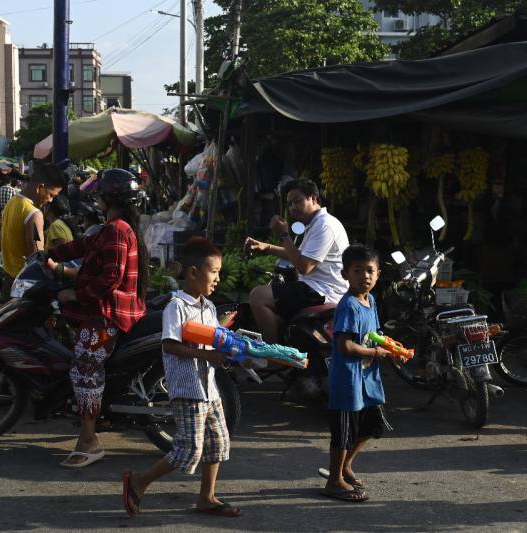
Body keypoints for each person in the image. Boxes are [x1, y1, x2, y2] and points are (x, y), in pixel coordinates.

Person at [121, 237, 240, 518]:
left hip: (209, 388)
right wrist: (210, 356)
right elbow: (170, 345)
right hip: (188, 389)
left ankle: (207, 498)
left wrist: (235, 347)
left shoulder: (208, 307)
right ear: (193, 273)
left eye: (219, 272)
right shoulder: (177, 306)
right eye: (214, 272)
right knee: (189, 449)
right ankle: (139, 481)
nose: (218, 278)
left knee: (219, 442)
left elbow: (213, 341)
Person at [46, 169, 147, 467]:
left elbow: (110, 279)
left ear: (108, 198)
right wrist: (47, 255)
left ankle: (89, 438)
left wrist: (76, 294)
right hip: (108, 310)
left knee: (83, 367)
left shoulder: (117, 230)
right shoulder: (111, 228)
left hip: (109, 315)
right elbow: (82, 246)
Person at [323, 244, 395, 502]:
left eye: (369, 270)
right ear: (345, 275)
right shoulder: (349, 306)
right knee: (343, 433)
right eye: (357, 271)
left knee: (374, 425)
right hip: (348, 381)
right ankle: (334, 481)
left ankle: (345, 466)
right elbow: (345, 345)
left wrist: (389, 346)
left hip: (366, 380)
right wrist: (376, 353)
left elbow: (372, 335)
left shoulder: (371, 300)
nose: (364, 276)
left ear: (378, 274)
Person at [244, 179, 349, 343]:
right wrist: (267, 247)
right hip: (314, 287)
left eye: (297, 201)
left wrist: (284, 235)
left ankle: (273, 356)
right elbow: (300, 255)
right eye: (290, 203)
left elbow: (303, 266)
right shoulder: (315, 223)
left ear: (313, 198)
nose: (293, 208)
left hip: (321, 291)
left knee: (258, 296)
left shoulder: (324, 225)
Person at [0, 164, 66, 292]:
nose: (51, 201)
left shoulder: (12, 202)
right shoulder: (34, 214)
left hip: (8, 277)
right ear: (40, 188)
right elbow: (37, 257)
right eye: (51, 195)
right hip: (22, 284)